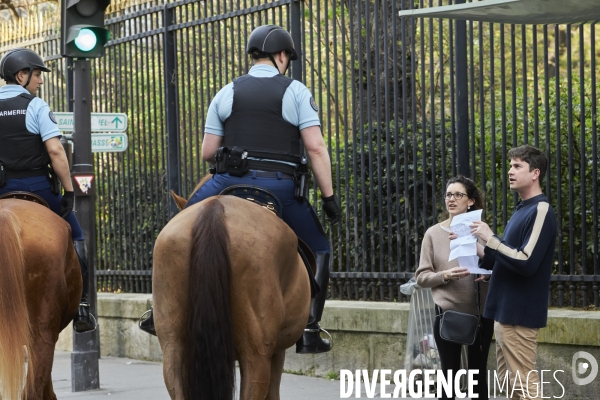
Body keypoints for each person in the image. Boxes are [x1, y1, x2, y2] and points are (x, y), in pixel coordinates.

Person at [139, 25, 340, 354]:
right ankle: (310, 327)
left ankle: (155, 311)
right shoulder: (297, 92)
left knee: (174, 234)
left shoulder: (226, 92)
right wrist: (329, 199)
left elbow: (207, 152)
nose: (286, 61)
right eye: (287, 56)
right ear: (280, 55)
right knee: (319, 247)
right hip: (279, 189)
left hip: (226, 183)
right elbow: (316, 149)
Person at [0, 48, 95, 333]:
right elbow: (55, 152)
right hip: (37, 187)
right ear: (22, 75)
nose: (40, 81)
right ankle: (82, 306)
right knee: (76, 235)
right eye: (37, 74)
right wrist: (69, 193)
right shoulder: (36, 106)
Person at [470, 145, 557, 400]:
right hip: (504, 311)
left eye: (517, 166)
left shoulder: (541, 210)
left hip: (519, 313)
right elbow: (509, 257)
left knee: (524, 386)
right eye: (510, 166)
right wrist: (473, 244)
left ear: (535, 173)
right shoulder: (522, 209)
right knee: (511, 386)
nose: (510, 171)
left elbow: (527, 261)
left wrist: (491, 238)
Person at [415, 175, 494, 400]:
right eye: (449, 194)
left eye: (458, 195)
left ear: (470, 201)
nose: (452, 199)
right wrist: (445, 275)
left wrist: (486, 276)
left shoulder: (484, 232)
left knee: (478, 378)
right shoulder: (433, 234)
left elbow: (498, 268)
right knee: (448, 380)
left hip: (481, 314)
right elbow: (421, 277)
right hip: (449, 313)